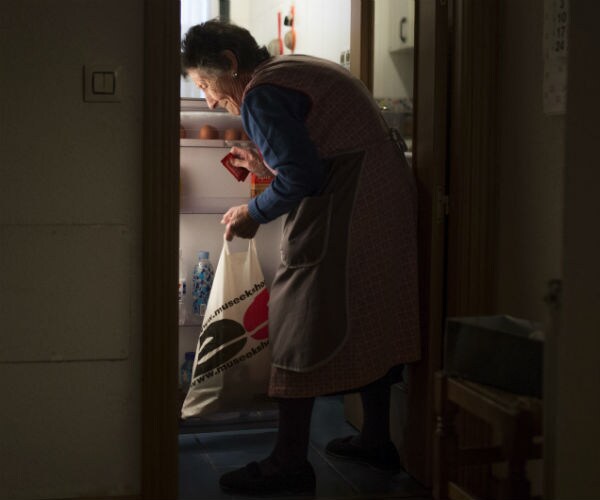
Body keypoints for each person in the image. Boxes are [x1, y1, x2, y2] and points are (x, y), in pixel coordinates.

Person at [181, 19, 420, 497]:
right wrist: (264, 164)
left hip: (350, 204)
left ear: (230, 63)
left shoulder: (260, 94)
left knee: (296, 314)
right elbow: (311, 154)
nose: (208, 100)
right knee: (369, 310)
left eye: (206, 85)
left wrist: (253, 212)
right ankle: (376, 439)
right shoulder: (290, 69)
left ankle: (289, 461)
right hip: (382, 199)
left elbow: (302, 177)